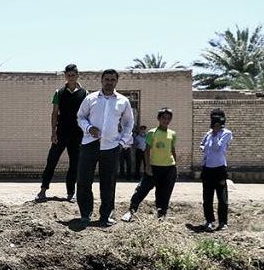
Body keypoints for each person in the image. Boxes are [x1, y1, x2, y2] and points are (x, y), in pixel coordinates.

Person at [75, 69, 134, 226]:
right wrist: (88, 128)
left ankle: (105, 215)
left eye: (112, 80)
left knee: (108, 182)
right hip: (89, 144)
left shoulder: (123, 101)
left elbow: (129, 123)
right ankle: (85, 214)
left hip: (111, 146)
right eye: (106, 79)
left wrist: (121, 142)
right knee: (83, 181)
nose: (109, 82)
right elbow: (80, 117)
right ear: (101, 81)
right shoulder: (90, 98)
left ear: (116, 81)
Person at [37, 64, 88, 202]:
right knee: (51, 160)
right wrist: (53, 133)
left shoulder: (85, 93)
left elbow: (87, 114)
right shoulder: (59, 93)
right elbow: (54, 114)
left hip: (77, 134)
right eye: (68, 75)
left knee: (75, 164)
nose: (70, 77)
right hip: (61, 132)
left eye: (73, 75)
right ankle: (43, 190)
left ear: (77, 75)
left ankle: (71, 193)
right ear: (65, 76)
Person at [122, 108, 177, 221]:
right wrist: (147, 166)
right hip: (154, 167)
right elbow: (147, 150)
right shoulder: (152, 133)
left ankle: (161, 215)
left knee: (164, 193)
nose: (166, 120)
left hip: (169, 168)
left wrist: (175, 166)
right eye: (163, 118)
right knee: (142, 189)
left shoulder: (172, 134)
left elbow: (172, 150)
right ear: (158, 119)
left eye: (168, 118)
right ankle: (131, 211)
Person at [200, 107, 234, 231]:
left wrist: (215, 134)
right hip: (207, 168)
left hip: (219, 169)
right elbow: (202, 144)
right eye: (213, 117)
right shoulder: (208, 133)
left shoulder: (227, 133)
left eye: (218, 117)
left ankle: (223, 222)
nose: (215, 120)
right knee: (207, 197)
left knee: (222, 197)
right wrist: (203, 147)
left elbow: (217, 148)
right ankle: (209, 221)